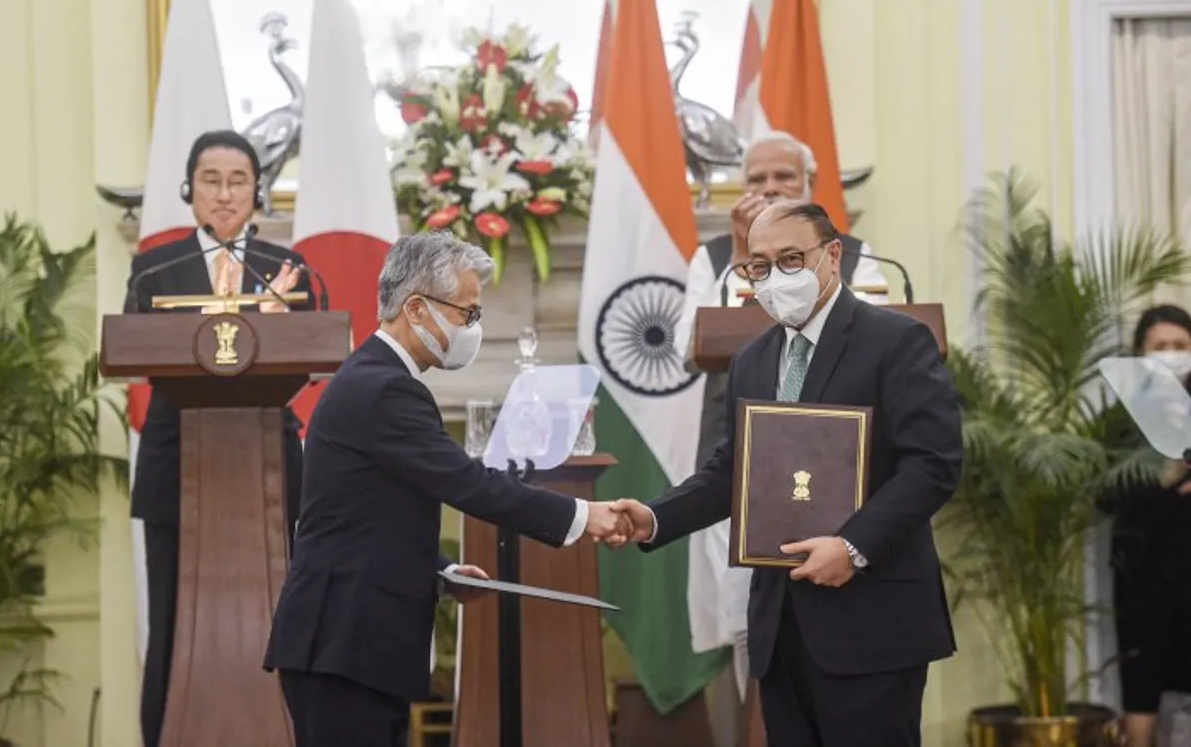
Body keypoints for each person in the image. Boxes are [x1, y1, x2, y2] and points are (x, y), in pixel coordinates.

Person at [608, 200, 962, 747]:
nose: (775, 277)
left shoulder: (895, 341)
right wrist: (654, 517)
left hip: (872, 619)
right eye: (759, 265)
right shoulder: (752, 359)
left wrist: (852, 548)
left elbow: (934, 465)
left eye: (792, 259)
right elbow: (735, 471)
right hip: (781, 623)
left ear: (833, 256)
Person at [262, 231, 631, 747]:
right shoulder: (385, 387)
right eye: (468, 313)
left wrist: (439, 569)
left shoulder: (377, 377)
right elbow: (467, 483)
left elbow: (366, 515)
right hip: (343, 645)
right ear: (416, 307)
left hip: (352, 647)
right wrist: (582, 516)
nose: (471, 328)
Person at [673, 131, 892, 723]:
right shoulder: (714, 259)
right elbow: (687, 344)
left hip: (840, 476)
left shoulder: (857, 251)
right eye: (756, 181)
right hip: (746, 467)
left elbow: (867, 322)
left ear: (810, 190)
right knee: (748, 616)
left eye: (782, 180)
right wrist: (751, 261)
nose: (767, 189)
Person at [126, 129, 313, 747]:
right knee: (172, 624)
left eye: (239, 181)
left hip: (268, 471)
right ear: (189, 190)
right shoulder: (156, 266)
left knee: (277, 617)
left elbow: (314, 349)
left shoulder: (287, 270)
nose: (225, 194)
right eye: (212, 180)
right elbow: (133, 352)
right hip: (176, 465)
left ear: (258, 191)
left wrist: (282, 326)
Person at [1104, 305, 1191, 747]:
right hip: (1143, 576)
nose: (1172, 355)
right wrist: (1164, 477)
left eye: (1181, 346)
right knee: (1142, 686)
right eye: (1161, 347)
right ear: (1139, 352)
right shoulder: (1119, 419)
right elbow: (1101, 494)